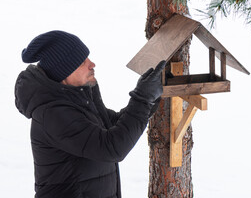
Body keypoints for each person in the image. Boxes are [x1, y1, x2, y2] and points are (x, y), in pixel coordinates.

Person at [14, 30, 165, 198]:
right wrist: (143, 98)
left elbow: (114, 124)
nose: (92, 64)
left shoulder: (76, 100)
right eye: (82, 62)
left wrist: (150, 98)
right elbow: (111, 148)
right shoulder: (53, 114)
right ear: (64, 71)